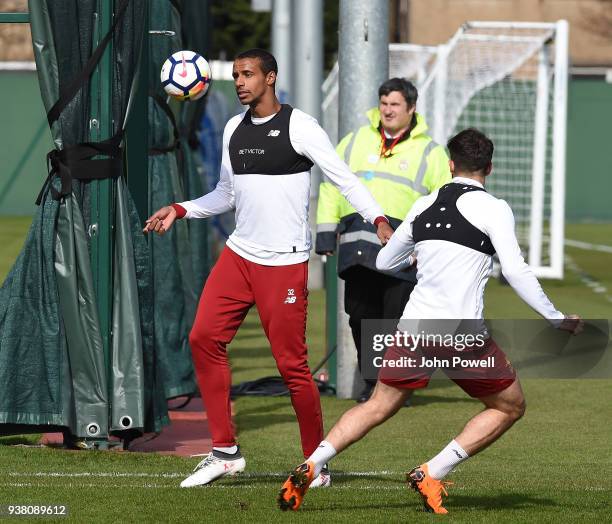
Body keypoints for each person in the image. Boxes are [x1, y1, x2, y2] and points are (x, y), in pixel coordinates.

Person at [278, 128, 583, 513]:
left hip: (413, 328)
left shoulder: (425, 204)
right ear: (488, 167)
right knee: (509, 406)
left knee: (377, 405)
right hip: (459, 334)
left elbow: (385, 261)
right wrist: (555, 318)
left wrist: (416, 255)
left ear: (450, 165)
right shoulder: (494, 208)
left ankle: (312, 464)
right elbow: (517, 271)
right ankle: (432, 471)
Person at [143, 48, 393, 488]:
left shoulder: (300, 126)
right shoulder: (233, 129)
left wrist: (377, 219)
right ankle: (224, 452)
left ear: (270, 78)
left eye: (248, 75)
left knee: (291, 366)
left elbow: (343, 178)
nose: (239, 82)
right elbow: (225, 194)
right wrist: (180, 208)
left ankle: (316, 462)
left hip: (284, 264)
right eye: (236, 75)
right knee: (203, 338)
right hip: (240, 256)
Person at [315, 78, 451, 402]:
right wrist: (324, 230)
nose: (387, 111)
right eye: (384, 104)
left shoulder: (430, 152)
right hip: (358, 248)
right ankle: (372, 384)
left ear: (411, 109)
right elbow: (331, 184)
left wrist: (431, 246)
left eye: (395, 105)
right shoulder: (354, 140)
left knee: (395, 321)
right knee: (361, 317)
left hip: (405, 250)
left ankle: (395, 385)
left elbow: (441, 201)